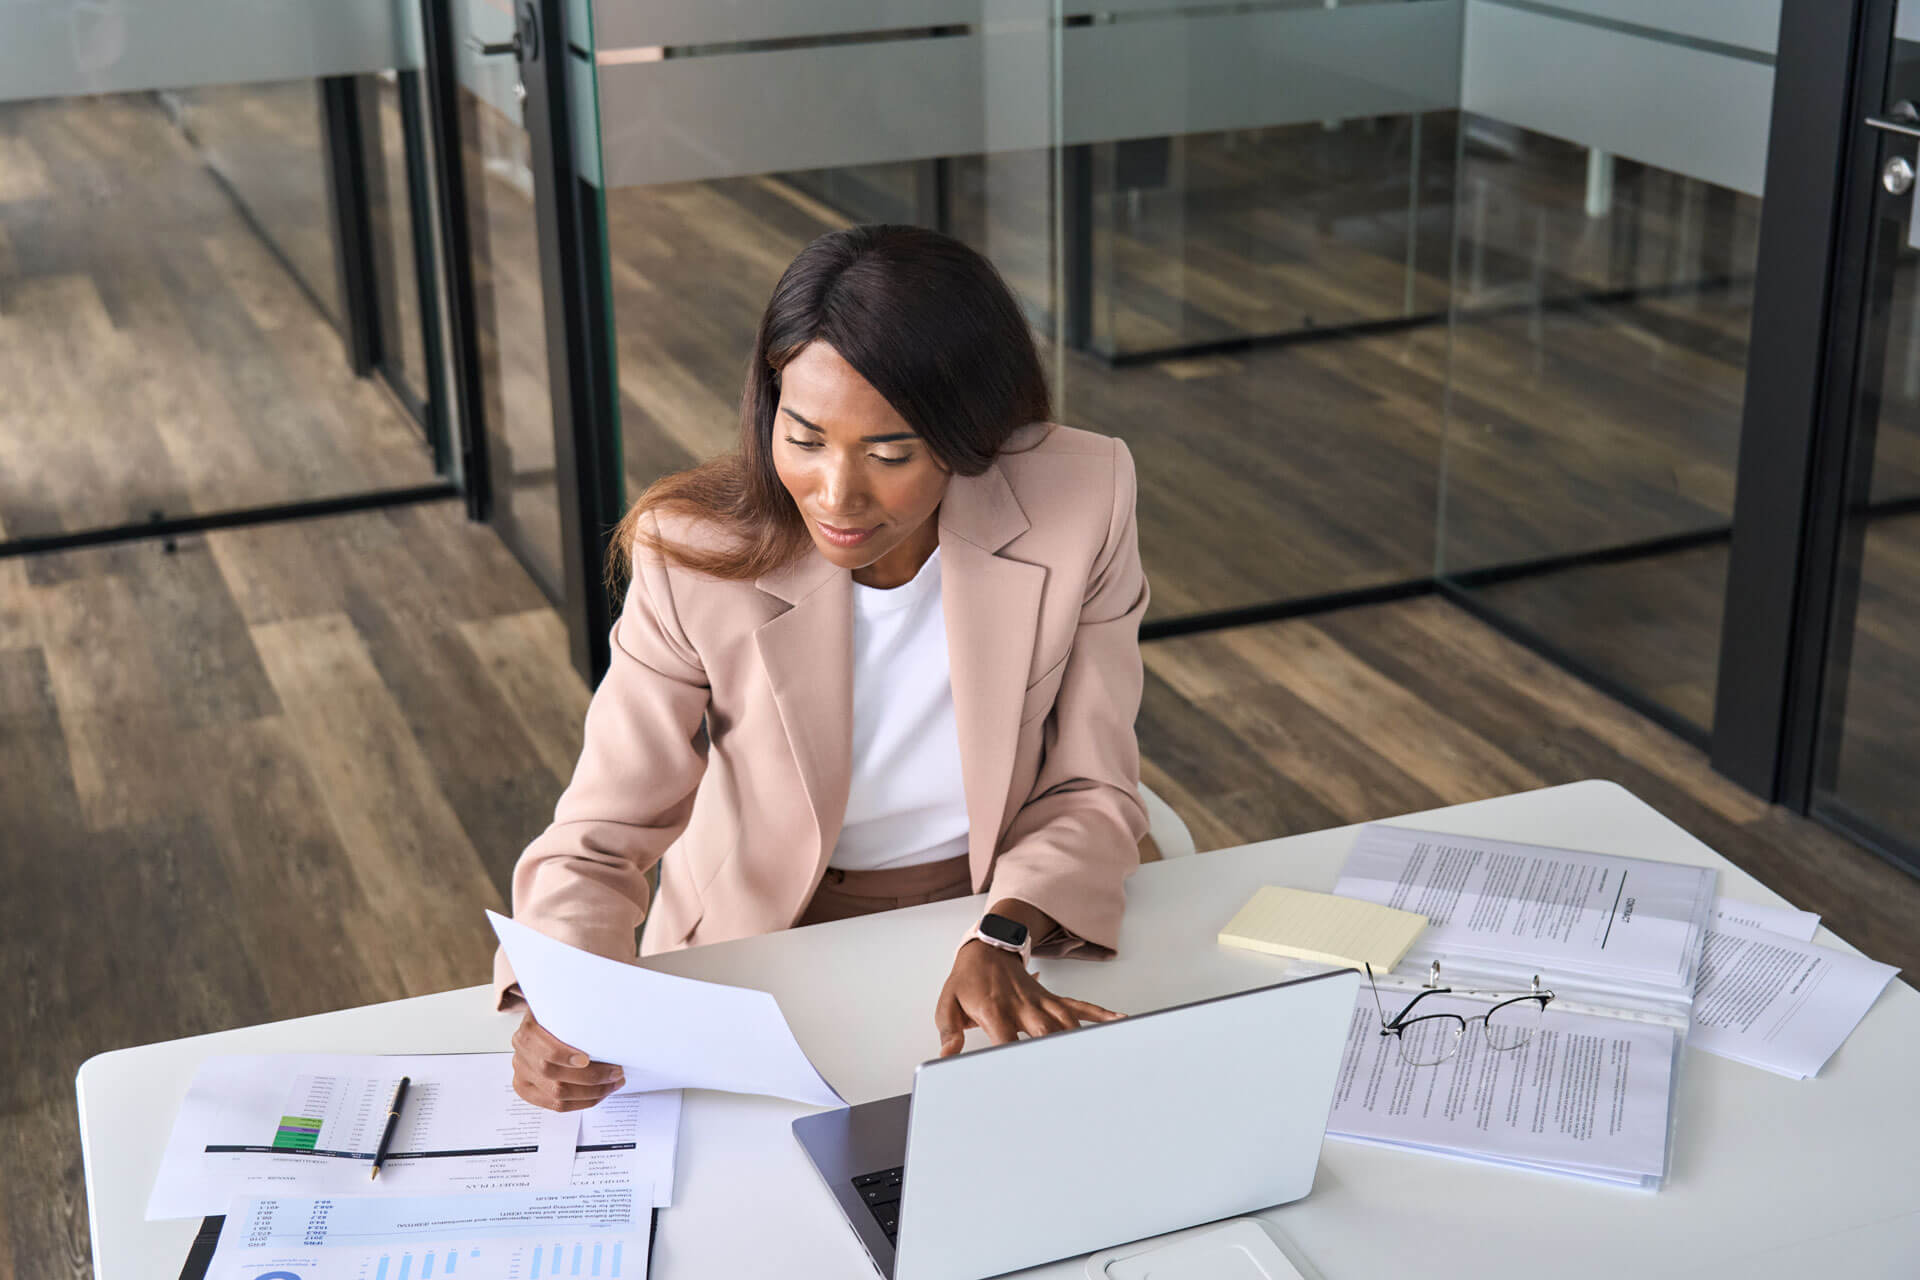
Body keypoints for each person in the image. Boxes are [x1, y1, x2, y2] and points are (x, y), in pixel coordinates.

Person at [499, 224, 1150, 1113]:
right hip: (766, 931)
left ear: (972, 435)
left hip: (996, 903)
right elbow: (603, 830)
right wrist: (563, 1002)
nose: (837, 496)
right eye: (804, 438)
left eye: (890, 454)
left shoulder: (1085, 498)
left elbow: (1092, 785)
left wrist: (1001, 933)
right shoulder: (693, 556)